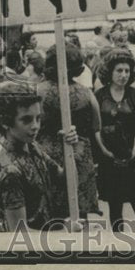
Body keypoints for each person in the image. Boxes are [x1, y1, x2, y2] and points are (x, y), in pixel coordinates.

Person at [0, 81, 75, 231]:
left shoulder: (31, 147)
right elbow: (21, 234)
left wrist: (69, 149)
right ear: (5, 122)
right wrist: (65, 232)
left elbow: (64, 177)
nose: (35, 126)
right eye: (26, 120)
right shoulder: (10, 171)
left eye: (38, 118)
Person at [37, 43, 101, 222]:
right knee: (78, 215)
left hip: (46, 154)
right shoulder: (86, 94)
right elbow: (96, 125)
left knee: (50, 216)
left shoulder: (36, 91)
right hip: (78, 153)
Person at [94, 49, 135, 232]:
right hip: (110, 159)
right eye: (119, 70)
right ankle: (118, 244)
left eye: (127, 71)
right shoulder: (99, 96)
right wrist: (105, 152)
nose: (123, 75)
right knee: (115, 205)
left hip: (133, 158)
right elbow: (95, 127)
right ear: (110, 71)